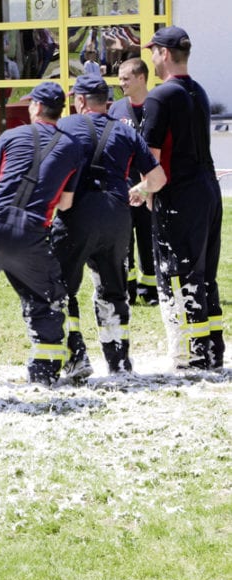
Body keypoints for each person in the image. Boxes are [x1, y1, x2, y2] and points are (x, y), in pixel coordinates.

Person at [52, 73, 165, 378]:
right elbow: (158, 179)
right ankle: (120, 363)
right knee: (113, 290)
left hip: (77, 213)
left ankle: (75, 356)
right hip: (117, 215)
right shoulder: (126, 131)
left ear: (79, 101)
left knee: (61, 288)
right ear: (107, 103)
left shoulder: (65, 126)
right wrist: (139, 191)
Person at [0, 82, 84, 386]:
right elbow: (65, 202)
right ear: (61, 111)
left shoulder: (9, 136)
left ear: (35, 107)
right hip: (31, 234)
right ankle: (44, 374)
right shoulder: (72, 147)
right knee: (49, 298)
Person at [141, 27, 224, 370]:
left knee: (176, 274)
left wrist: (146, 193)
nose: (151, 57)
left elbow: (151, 154)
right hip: (207, 191)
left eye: (153, 51)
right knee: (204, 274)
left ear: (163, 52)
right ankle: (212, 350)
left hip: (179, 195)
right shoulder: (198, 92)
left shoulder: (161, 97)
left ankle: (189, 353)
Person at [109, 57, 157, 305]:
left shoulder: (157, 106)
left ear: (141, 78)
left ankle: (151, 290)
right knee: (123, 241)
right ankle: (127, 290)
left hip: (150, 187)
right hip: (123, 188)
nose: (121, 83)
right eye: (120, 79)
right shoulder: (116, 110)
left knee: (149, 240)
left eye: (126, 78)